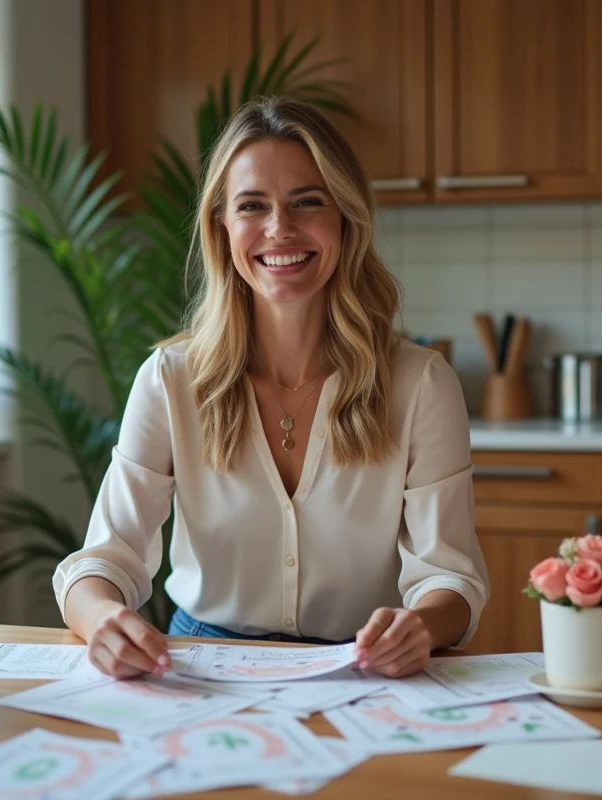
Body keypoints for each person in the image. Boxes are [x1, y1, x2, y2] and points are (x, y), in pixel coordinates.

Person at [54, 97, 489, 680]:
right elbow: (104, 559)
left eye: (308, 201)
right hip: (201, 665)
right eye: (252, 206)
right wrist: (103, 618)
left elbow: (451, 578)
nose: (279, 228)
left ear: (346, 218)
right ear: (223, 227)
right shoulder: (170, 379)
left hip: (362, 666)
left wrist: (421, 627)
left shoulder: (421, 385)